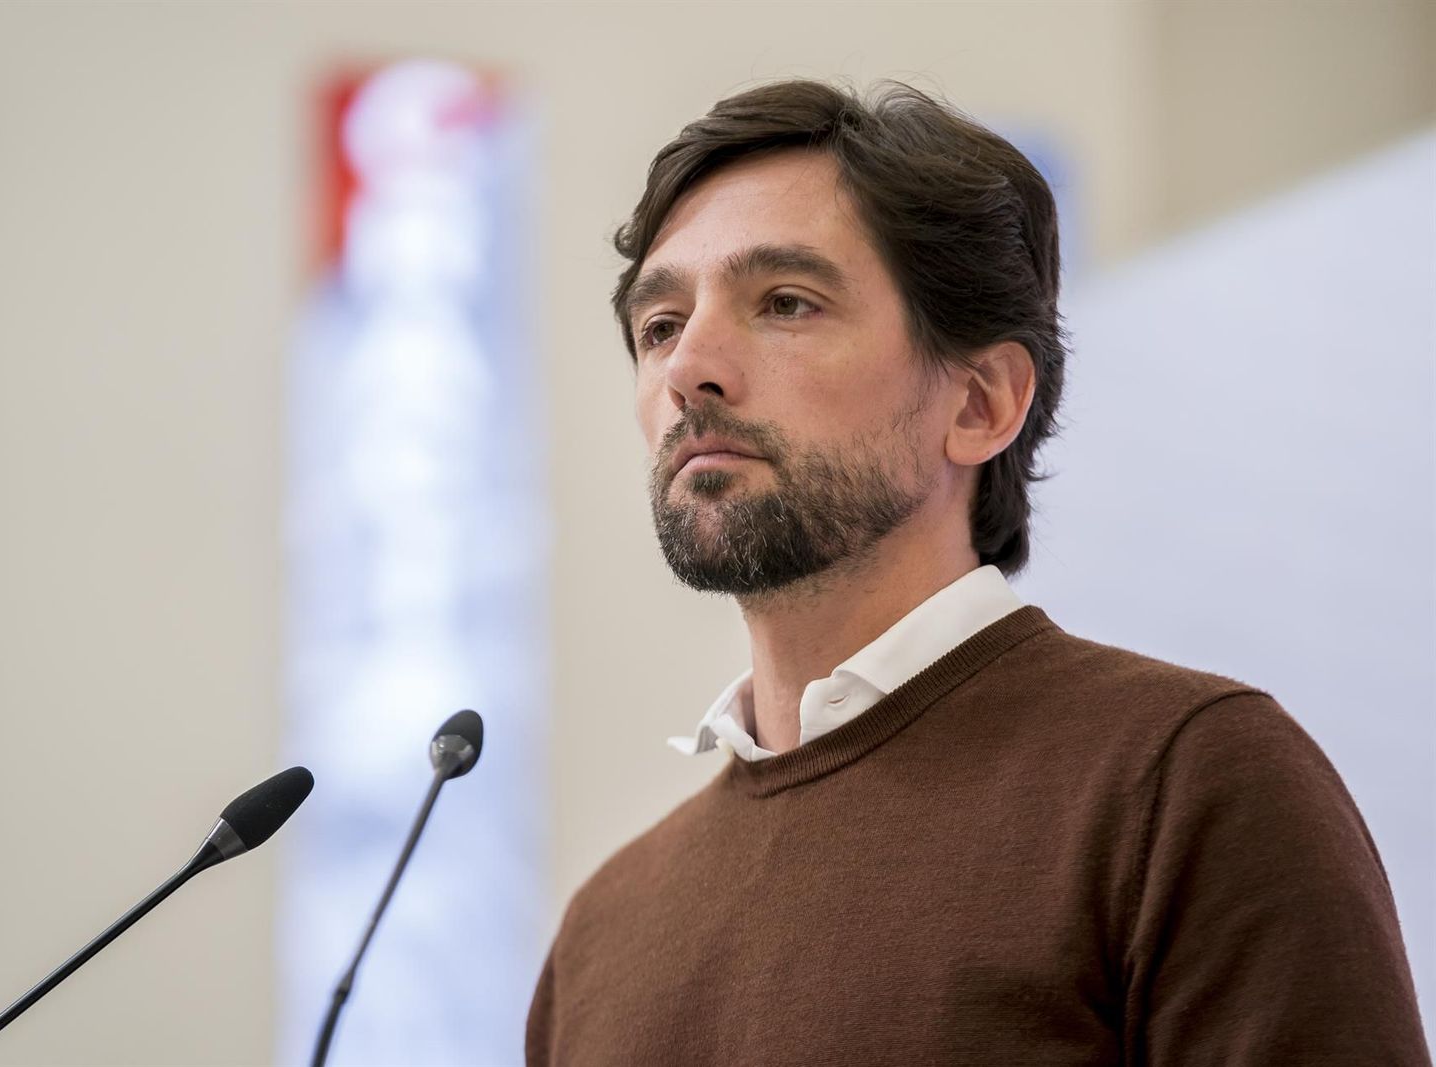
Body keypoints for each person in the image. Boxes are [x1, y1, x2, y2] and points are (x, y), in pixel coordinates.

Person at [525, 79, 1430, 1065]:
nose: (687, 366)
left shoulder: (1185, 783)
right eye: (657, 325)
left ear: (981, 403)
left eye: (784, 302)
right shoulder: (603, 930)